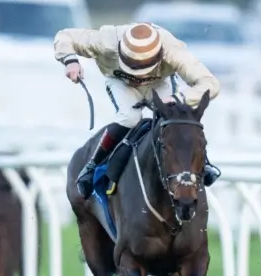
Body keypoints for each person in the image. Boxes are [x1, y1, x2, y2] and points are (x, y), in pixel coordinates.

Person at [53, 21, 221, 200]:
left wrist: (179, 98)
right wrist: (70, 60)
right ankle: (92, 165)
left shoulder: (173, 50)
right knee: (129, 118)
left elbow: (211, 84)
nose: (137, 77)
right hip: (121, 82)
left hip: (158, 82)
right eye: (132, 66)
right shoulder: (106, 40)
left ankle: (205, 163)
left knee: (174, 117)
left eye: (141, 69)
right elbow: (64, 36)